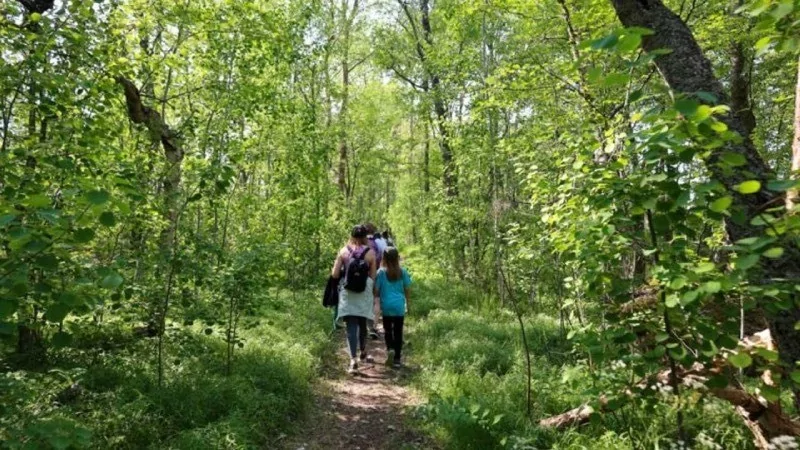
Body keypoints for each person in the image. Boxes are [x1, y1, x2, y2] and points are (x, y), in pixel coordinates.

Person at [331, 225, 377, 374]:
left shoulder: (343, 251)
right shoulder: (370, 253)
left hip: (348, 290)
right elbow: (373, 276)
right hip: (364, 291)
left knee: (351, 324)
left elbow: (335, 274)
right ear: (365, 237)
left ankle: (353, 359)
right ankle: (363, 349)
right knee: (362, 321)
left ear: (351, 236)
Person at [374, 247, 411, 369]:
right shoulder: (403, 272)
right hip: (399, 306)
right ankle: (397, 360)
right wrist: (408, 305)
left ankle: (390, 348)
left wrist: (376, 304)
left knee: (388, 330)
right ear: (397, 258)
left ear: (384, 258)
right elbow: (407, 289)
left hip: (387, 306)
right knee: (398, 332)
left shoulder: (381, 272)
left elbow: (376, 290)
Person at [364, 223, 386, 339]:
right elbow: (383, 256)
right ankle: (373, 326)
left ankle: (363, 327)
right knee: (375, 300)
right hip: (375, 274)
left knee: (363, 300)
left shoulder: (359, 242)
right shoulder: (377, 242)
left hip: (360, 276)